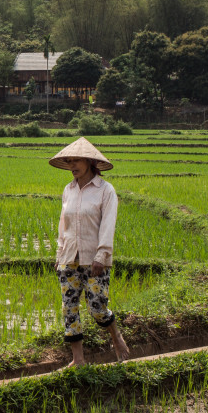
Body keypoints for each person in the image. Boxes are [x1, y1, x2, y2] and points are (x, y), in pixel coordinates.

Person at [49, 137, 130, 366]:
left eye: (76, 160)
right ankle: (78, 359)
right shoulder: (68, 190)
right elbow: (63, 226)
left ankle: (116, 336)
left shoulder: (105, 191)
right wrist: (59, 255)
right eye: (70, 161)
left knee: (97, 307)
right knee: (69, 308)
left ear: (89, 162)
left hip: (94, 259)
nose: (72, 165)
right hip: (69, 259)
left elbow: (108, 224)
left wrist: (101, 255)